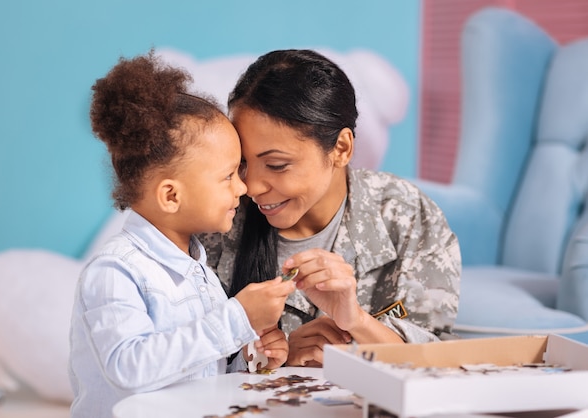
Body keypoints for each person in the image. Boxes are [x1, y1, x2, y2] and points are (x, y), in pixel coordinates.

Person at [68, 51, 296, 418]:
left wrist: (250, 355)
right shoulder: (114, 273)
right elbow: (132, 370)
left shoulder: (199, 271)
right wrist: (237, 319)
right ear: (171, 195)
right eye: (227, 176)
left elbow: (200, 372)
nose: (243, 187)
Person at [200, 49, 461, 367]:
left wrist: (357, 322)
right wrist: (271, 358)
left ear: (342, 148)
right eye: (242, 163)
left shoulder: (409, 218)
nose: (251, 187)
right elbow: (174, 358)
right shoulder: (214, 221)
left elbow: (440, 364)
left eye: (277, 165)